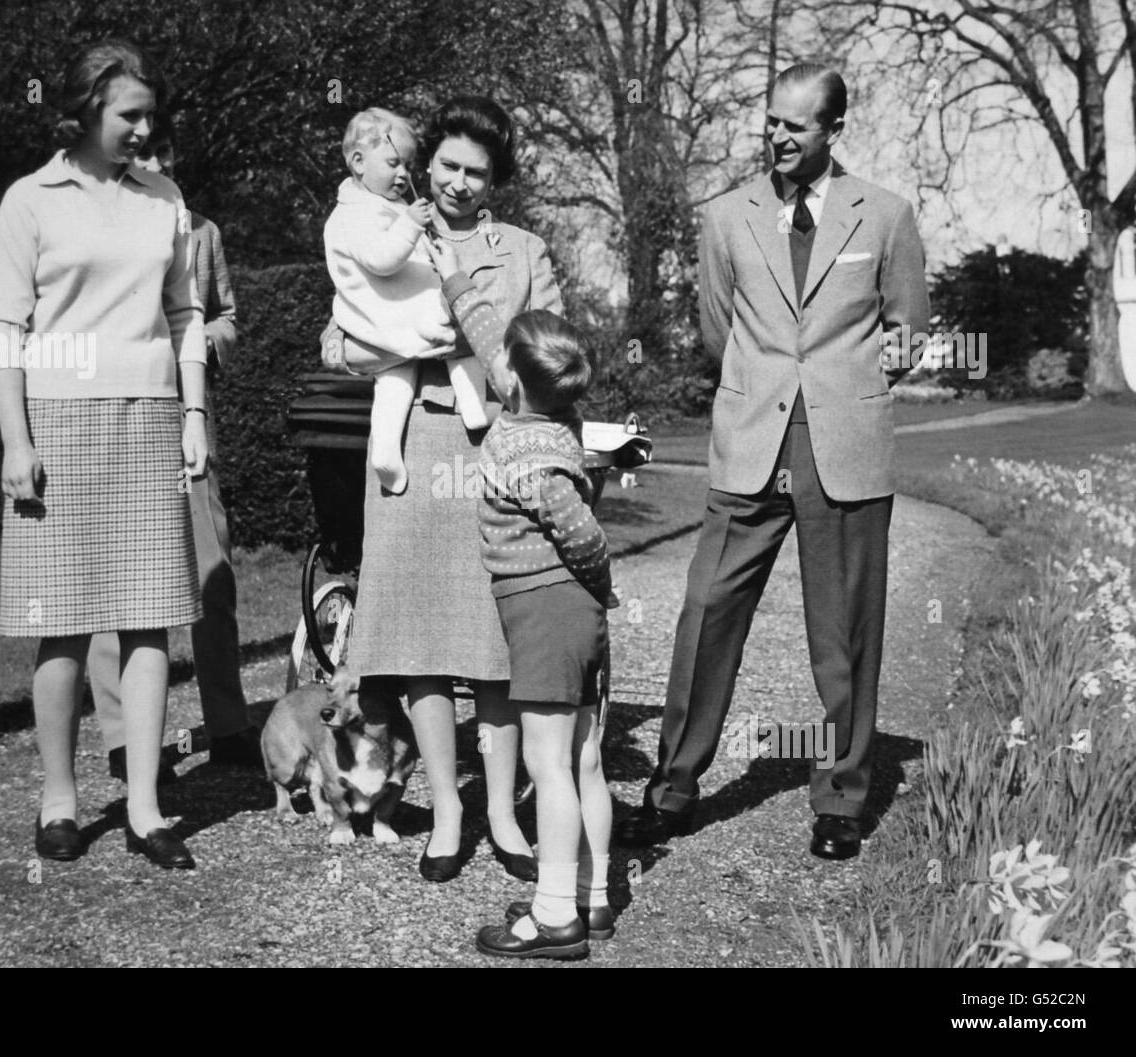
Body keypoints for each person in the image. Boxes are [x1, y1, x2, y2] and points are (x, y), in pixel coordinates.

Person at [616, 63, 930, 860]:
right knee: (707, 611)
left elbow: (910, 330)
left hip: (845, 448)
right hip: (749, 440)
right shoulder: (726, 216)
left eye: (796, 125)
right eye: (772, 122)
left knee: (846, 630)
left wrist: (846, 390)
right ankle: (673, 789)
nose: (778, 136)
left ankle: (842, 799)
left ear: (834, 128)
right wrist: (765, 387)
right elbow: (719, 329)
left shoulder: (886, 215)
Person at [0, 40, 208, 869]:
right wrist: (16, 437)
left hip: (148, 419)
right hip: (55, 421)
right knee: (62, 625)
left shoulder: (164, 199)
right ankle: (58, 798)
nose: (145, 130)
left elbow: (184, 315)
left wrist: (192, 412)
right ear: (82, 113)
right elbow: (3, 329)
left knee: (150, 619)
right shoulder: (29, 200)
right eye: (129, 116)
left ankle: (147, 807)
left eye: (151, 115)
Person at [326, 96, 562, 883]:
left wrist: (470, 328)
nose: (458, 183)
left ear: (497, 178)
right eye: (448, 166)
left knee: (493, 635)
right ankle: (447, 810)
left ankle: (499, 809)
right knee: (422, 635)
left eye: (477, 171)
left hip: (489, 442)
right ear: (427, 164)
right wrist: (390, 343)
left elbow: (545, 349)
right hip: (408, 444)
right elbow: (336, 340)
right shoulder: (384, 226)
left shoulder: (523, 249)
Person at [430, 243, 618, 957]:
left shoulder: (527, 454)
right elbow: (487, 328)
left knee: (549, 765)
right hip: (572, 611)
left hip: (548, 610)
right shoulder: (553, 413)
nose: (490, 357)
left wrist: (598, 585)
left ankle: (554, 916)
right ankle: (593, 898)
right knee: (586, 757)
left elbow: (583, 535)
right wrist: (451, 270)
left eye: (500, 356)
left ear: (510, 377)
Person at [85, 110, 261, 783]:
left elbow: (226, 316)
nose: (152, 163)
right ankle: (127, 738)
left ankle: (228, 722)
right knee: (115, 576)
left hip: (189, 417)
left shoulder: (202, 232)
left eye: (162, 151)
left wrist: (201, 344)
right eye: (142, 152)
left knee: (211, 570)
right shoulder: (98, 228)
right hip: (117, 414)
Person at [324, 107, 489, 495]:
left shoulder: (377, 205)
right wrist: (413, 224)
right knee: (455, 326)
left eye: (409, 165)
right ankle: (475, 405)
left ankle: (385, 450)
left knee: (394, 379)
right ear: (358, 162)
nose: (404, 175)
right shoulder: (355, 214)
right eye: (394, 163)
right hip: (393, 310)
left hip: (383, 321)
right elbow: (380, 261)